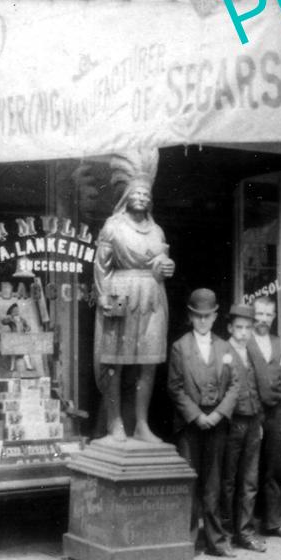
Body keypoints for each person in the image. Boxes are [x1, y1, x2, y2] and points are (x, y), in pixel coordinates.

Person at [94, 150, 175, 443]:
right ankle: (115, 423)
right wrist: (103, 295)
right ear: (126, 195)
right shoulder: (113, 226)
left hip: (153, 296)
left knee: (148, 362)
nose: (141, 197)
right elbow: (101, 266)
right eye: (136, 192)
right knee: (115, 360)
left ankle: (141, 424)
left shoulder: (157, 230)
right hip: (120, 293)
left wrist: (166, 267)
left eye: (145, 193)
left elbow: (162, 263)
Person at [167, 288, 239, 558]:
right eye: (198, 316)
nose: (203, 321)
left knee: (214, 483)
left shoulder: (225, 347)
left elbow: (234, 386)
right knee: (190, 481)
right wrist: (197, 416)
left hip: (217, 423)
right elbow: (175, 388)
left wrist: (218, 414)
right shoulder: (180, 347)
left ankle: (216, 541)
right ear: (190, 316)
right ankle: (187, 542)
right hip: (191, 425)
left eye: (207, 316)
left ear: (215, 316)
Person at [248, 296, 281, 539]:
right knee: (248, 468)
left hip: (275, 413)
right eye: (259, 314)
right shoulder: (245, 342)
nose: (263, 319)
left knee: (275, 467)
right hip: (251, 413)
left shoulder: (280, 344)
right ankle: (245, 524)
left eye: (268, 315)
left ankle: (274, 522)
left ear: (274, 316)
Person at [221, 304, 267, 552]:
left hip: (252, 422)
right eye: (239, 328)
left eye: (248, 328)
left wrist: (259, 421)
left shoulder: (252, 352)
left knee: (250, 480)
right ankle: (226, 532)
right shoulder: (223, 351)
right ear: (230, 328)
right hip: (231, 424)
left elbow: (258, 387)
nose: (243, 333)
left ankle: (246, 532)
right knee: (228, 480)